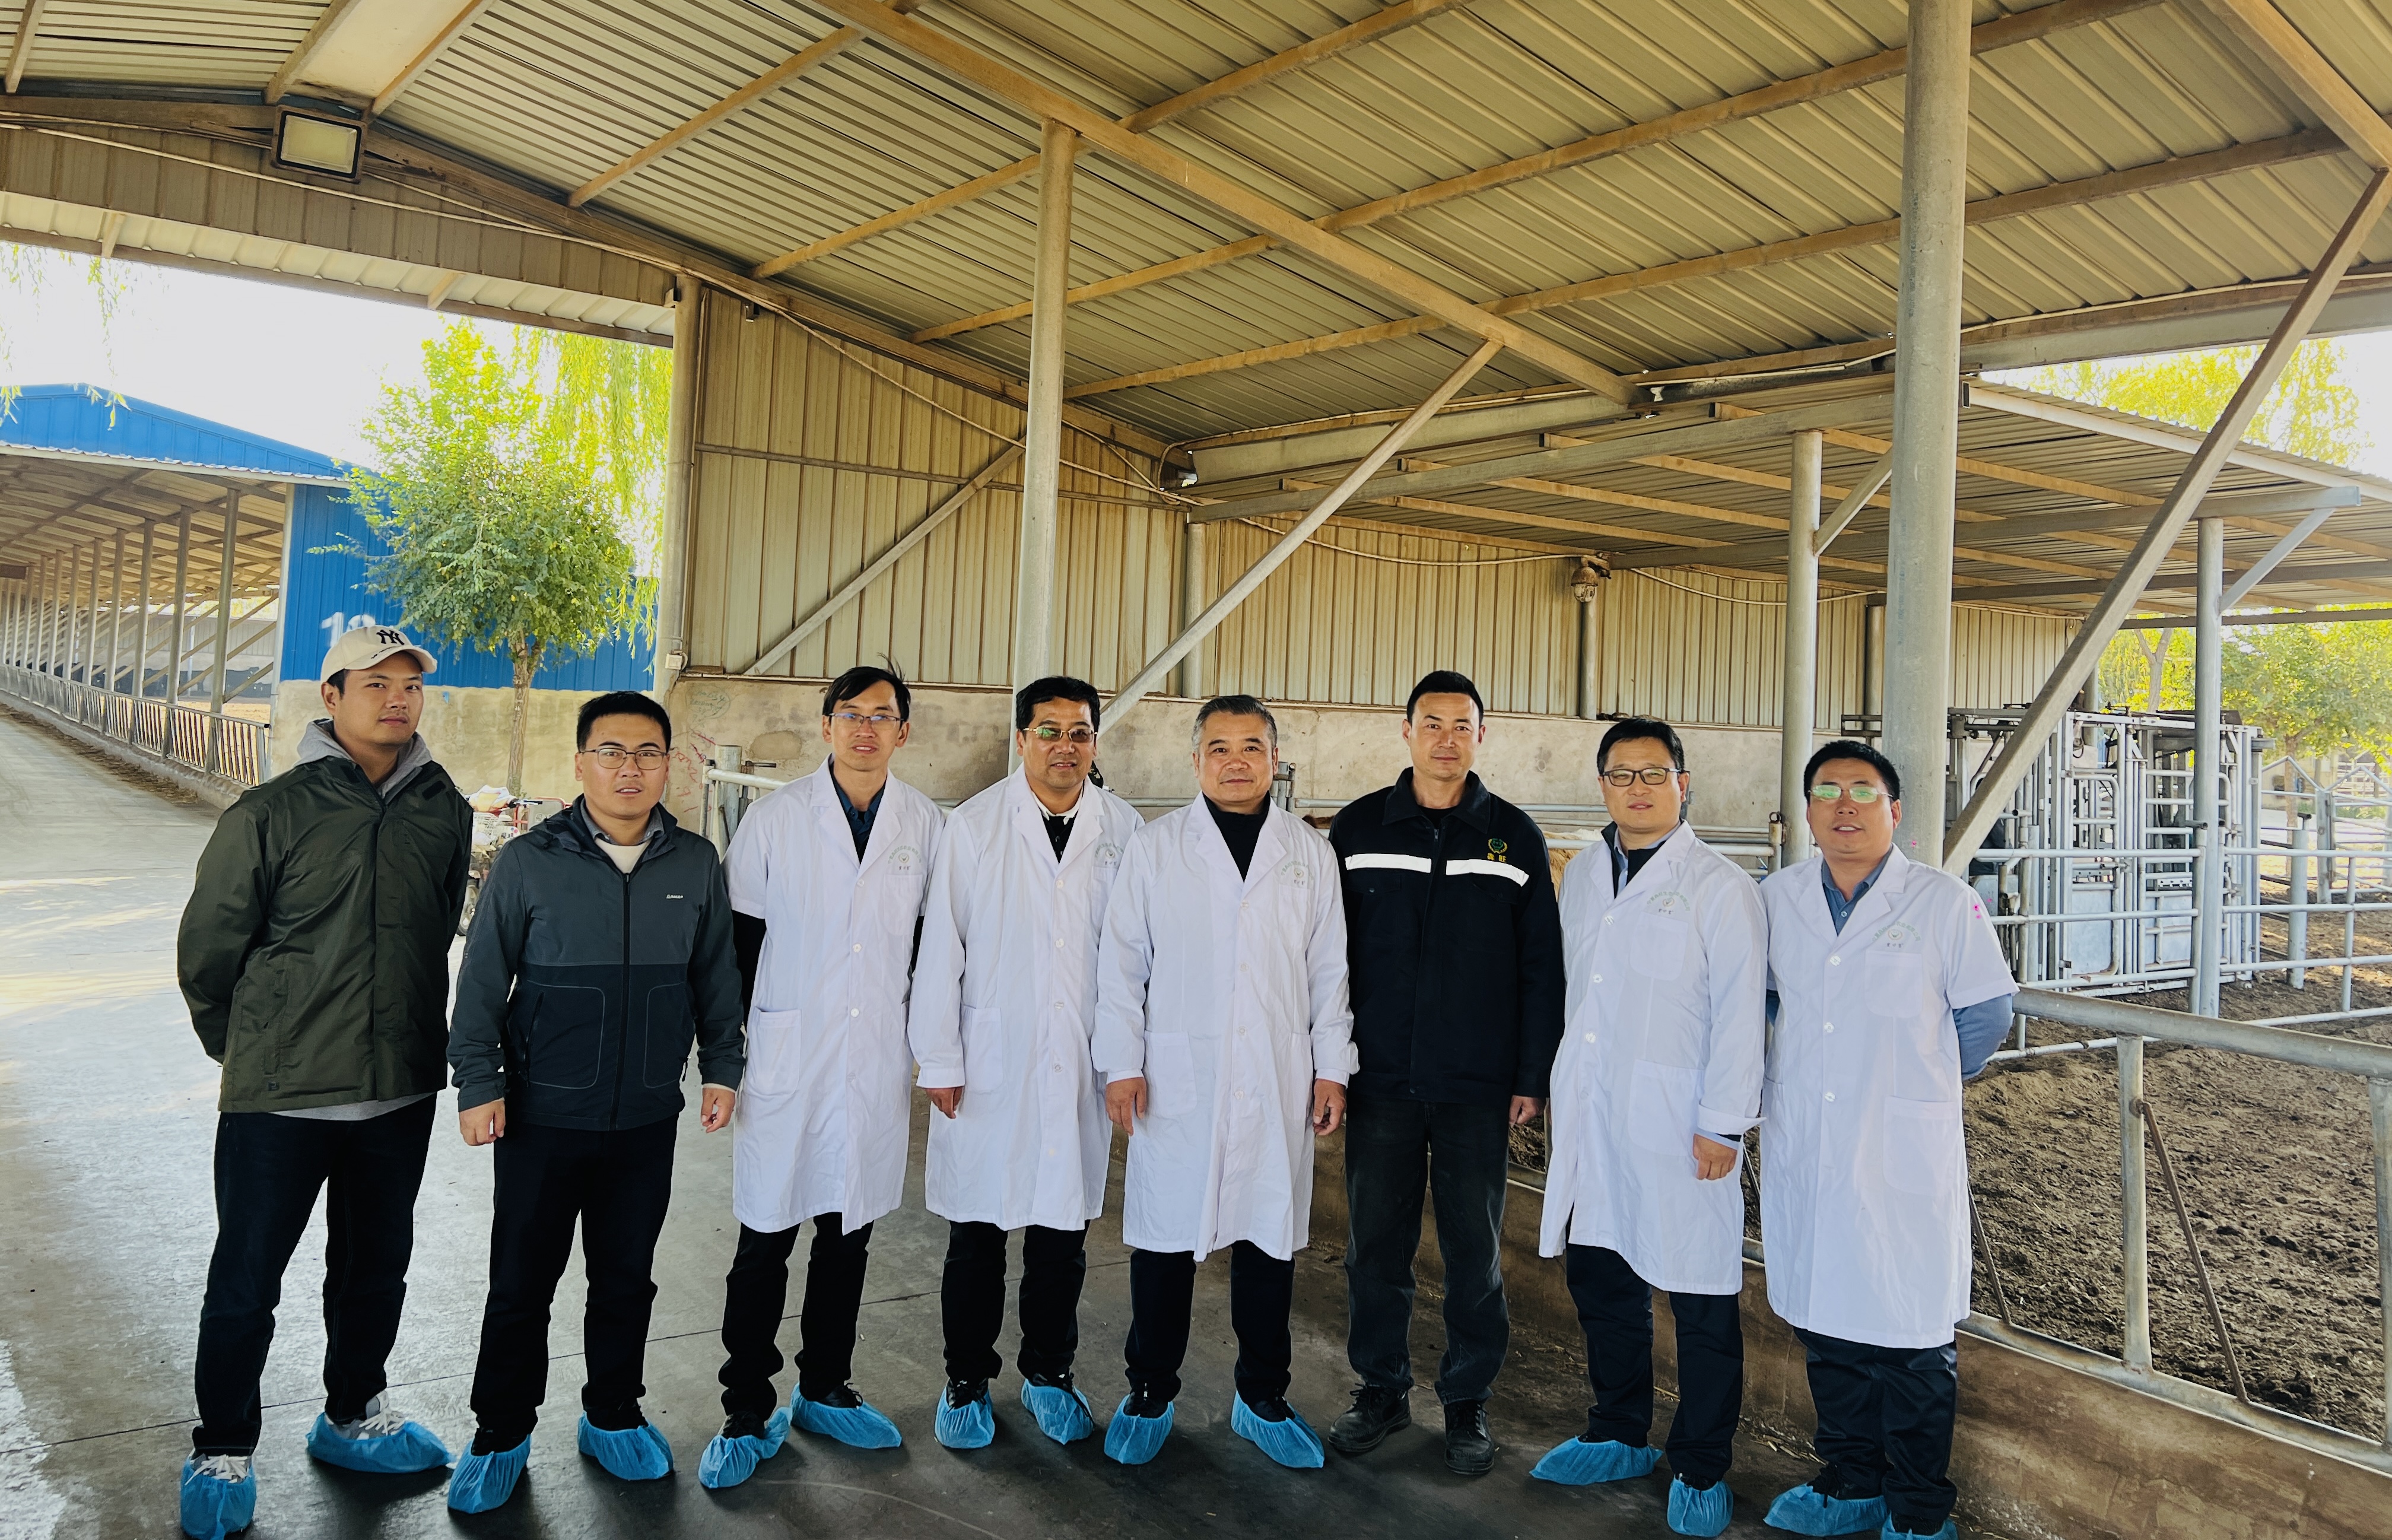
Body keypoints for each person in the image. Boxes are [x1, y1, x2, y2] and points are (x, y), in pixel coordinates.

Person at [174, 625, 471, 1540]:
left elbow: (437, 928)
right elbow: (208, 952)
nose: (396, 699)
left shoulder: (443, 808)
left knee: (375, 1268)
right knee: (247, 1278)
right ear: (331, 697)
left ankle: (352, 1415)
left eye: (409, 685)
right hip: (282, 1096)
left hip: (398, 1090)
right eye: (374, 684)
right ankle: (223, 1447)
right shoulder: (270, 812)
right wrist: (249, 1049)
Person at [441, 691, 744, 1512]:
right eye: (611, 752)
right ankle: (501, 1430)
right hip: (541, 1116)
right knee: (521, 1284)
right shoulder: (529, 861)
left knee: (626, 1280)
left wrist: (722, 1067)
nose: (629, 769)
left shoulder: (693, 863)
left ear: (669, 765)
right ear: (580, 764)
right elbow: (481, 981)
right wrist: (479, 1083)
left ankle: (613, 1413)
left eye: (648, 753)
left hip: (646, 1116)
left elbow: (716, 975)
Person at [1758, 741, 2015, 1540]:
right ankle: (1851, 1483)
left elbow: (1987, 1016)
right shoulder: (1777, 899)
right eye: (1827, 790)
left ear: (1894, 811)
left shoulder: (1942, 903)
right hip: (1810, 1140)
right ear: (1808, 812)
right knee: (1826, 1321)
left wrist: (1915, 1083)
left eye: (1864, 791)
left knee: (1911, 1336)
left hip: (1901, 1145)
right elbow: (1764, 999)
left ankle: (1917, 1509)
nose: (1845, 805)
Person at [1092, 694, 1356, 1470]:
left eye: (1251, 747)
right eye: (1219, 748)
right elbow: (1123, 962)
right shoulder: (1157, 846)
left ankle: (1262, 1395)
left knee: (1269, 1241)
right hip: (1178, 1074)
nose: (1235, 761)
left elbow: (1330, 970)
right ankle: (1150, 1390)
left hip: (1276, 1072)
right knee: (1165, 1243)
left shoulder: (1309, 853)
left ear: (1274, 759)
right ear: (1196, 759)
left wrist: (1332, 1067)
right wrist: (1123, 1063)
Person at [701, 665, 945, 1484]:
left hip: (873, 1057)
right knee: (765, 1236)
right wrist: (730, 1053)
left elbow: (932, 948)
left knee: (850, 1235)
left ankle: (825, 1387)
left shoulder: (925, 824)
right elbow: (737, 945)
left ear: (903, 731)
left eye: (882, 716)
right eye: (851, 714)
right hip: (789, 1053)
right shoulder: (776, 820)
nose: (865, 729)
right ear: (826, 724)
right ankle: (745, 1406)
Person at [1529, 717, 1765, 1539]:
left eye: (1654, 774)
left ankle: (1701, 1463)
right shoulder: (1586, 873)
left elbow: (1741, 1016)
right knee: (1602, 1279)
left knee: (1700, 1295)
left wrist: (1723, 1126)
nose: (1638, 788)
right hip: (1596, 1114)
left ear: (1683, 784)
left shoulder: (1722, 886)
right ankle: (1620, 1430)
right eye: (1622, 775)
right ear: (1602, 787)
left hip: (1682, 1124)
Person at [1324, 670, 1562, 1476]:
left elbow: (1541, 967)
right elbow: (1326, 959)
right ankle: (1381, 1390)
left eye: (1463, 726)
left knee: (1474, 1254)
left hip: (1476, 1087)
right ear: (1407, 731)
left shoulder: (1513, 837)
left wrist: (1531, 1073)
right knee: (1374, 1248)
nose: (1447, 739)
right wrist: (1331, 1065)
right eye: (1433, 723)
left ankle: (1467, 1401)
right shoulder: (1359, 828)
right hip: (1381, 1080)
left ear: (1481, 736)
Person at [907, 676, 1144, 1450]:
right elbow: (941, 947)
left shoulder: (1125, 830)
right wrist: (939, 1057)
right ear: (1021, 739)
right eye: (1049, 731)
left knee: (1060, 1238)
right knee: (977, 1234)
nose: (1064, 747)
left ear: (1094, 743)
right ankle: (966, 1379)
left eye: (1079, 733)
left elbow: (1135, 959)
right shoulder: (974, 825)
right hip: (990, 1060)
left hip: (1079, 1062)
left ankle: (1049, 1372)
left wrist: (1126, 1059)